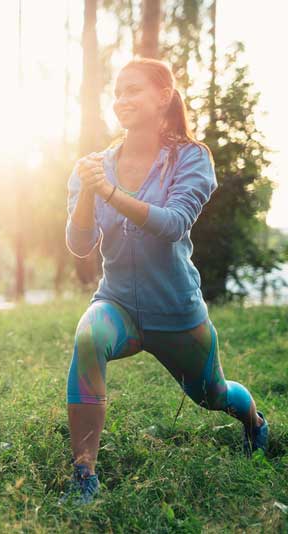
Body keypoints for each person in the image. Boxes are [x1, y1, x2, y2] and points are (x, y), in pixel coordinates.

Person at [61, 58, 268, 505]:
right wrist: (89, 193)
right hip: (117, 303)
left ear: (163, 96)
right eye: (117, 92)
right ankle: (84, 477)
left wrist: (112, 193)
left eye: (133, 90)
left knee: (212, 395)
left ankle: (254, 422)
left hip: (175, 310)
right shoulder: (96, 165)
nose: (122, 100)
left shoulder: (191, 158)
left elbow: (174, 222)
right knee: (88, 337)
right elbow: (80, 245)